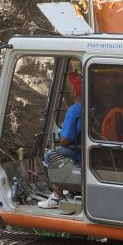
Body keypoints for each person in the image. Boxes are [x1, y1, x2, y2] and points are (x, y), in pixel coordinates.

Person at [38, 78, 83, 208]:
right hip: (92, 151)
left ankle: (57, 196)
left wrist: (62, 138)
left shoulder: (75, 110)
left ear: (75, 92)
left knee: (51, 155)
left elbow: (65, 140)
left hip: (80, 152)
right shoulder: (93, 106)